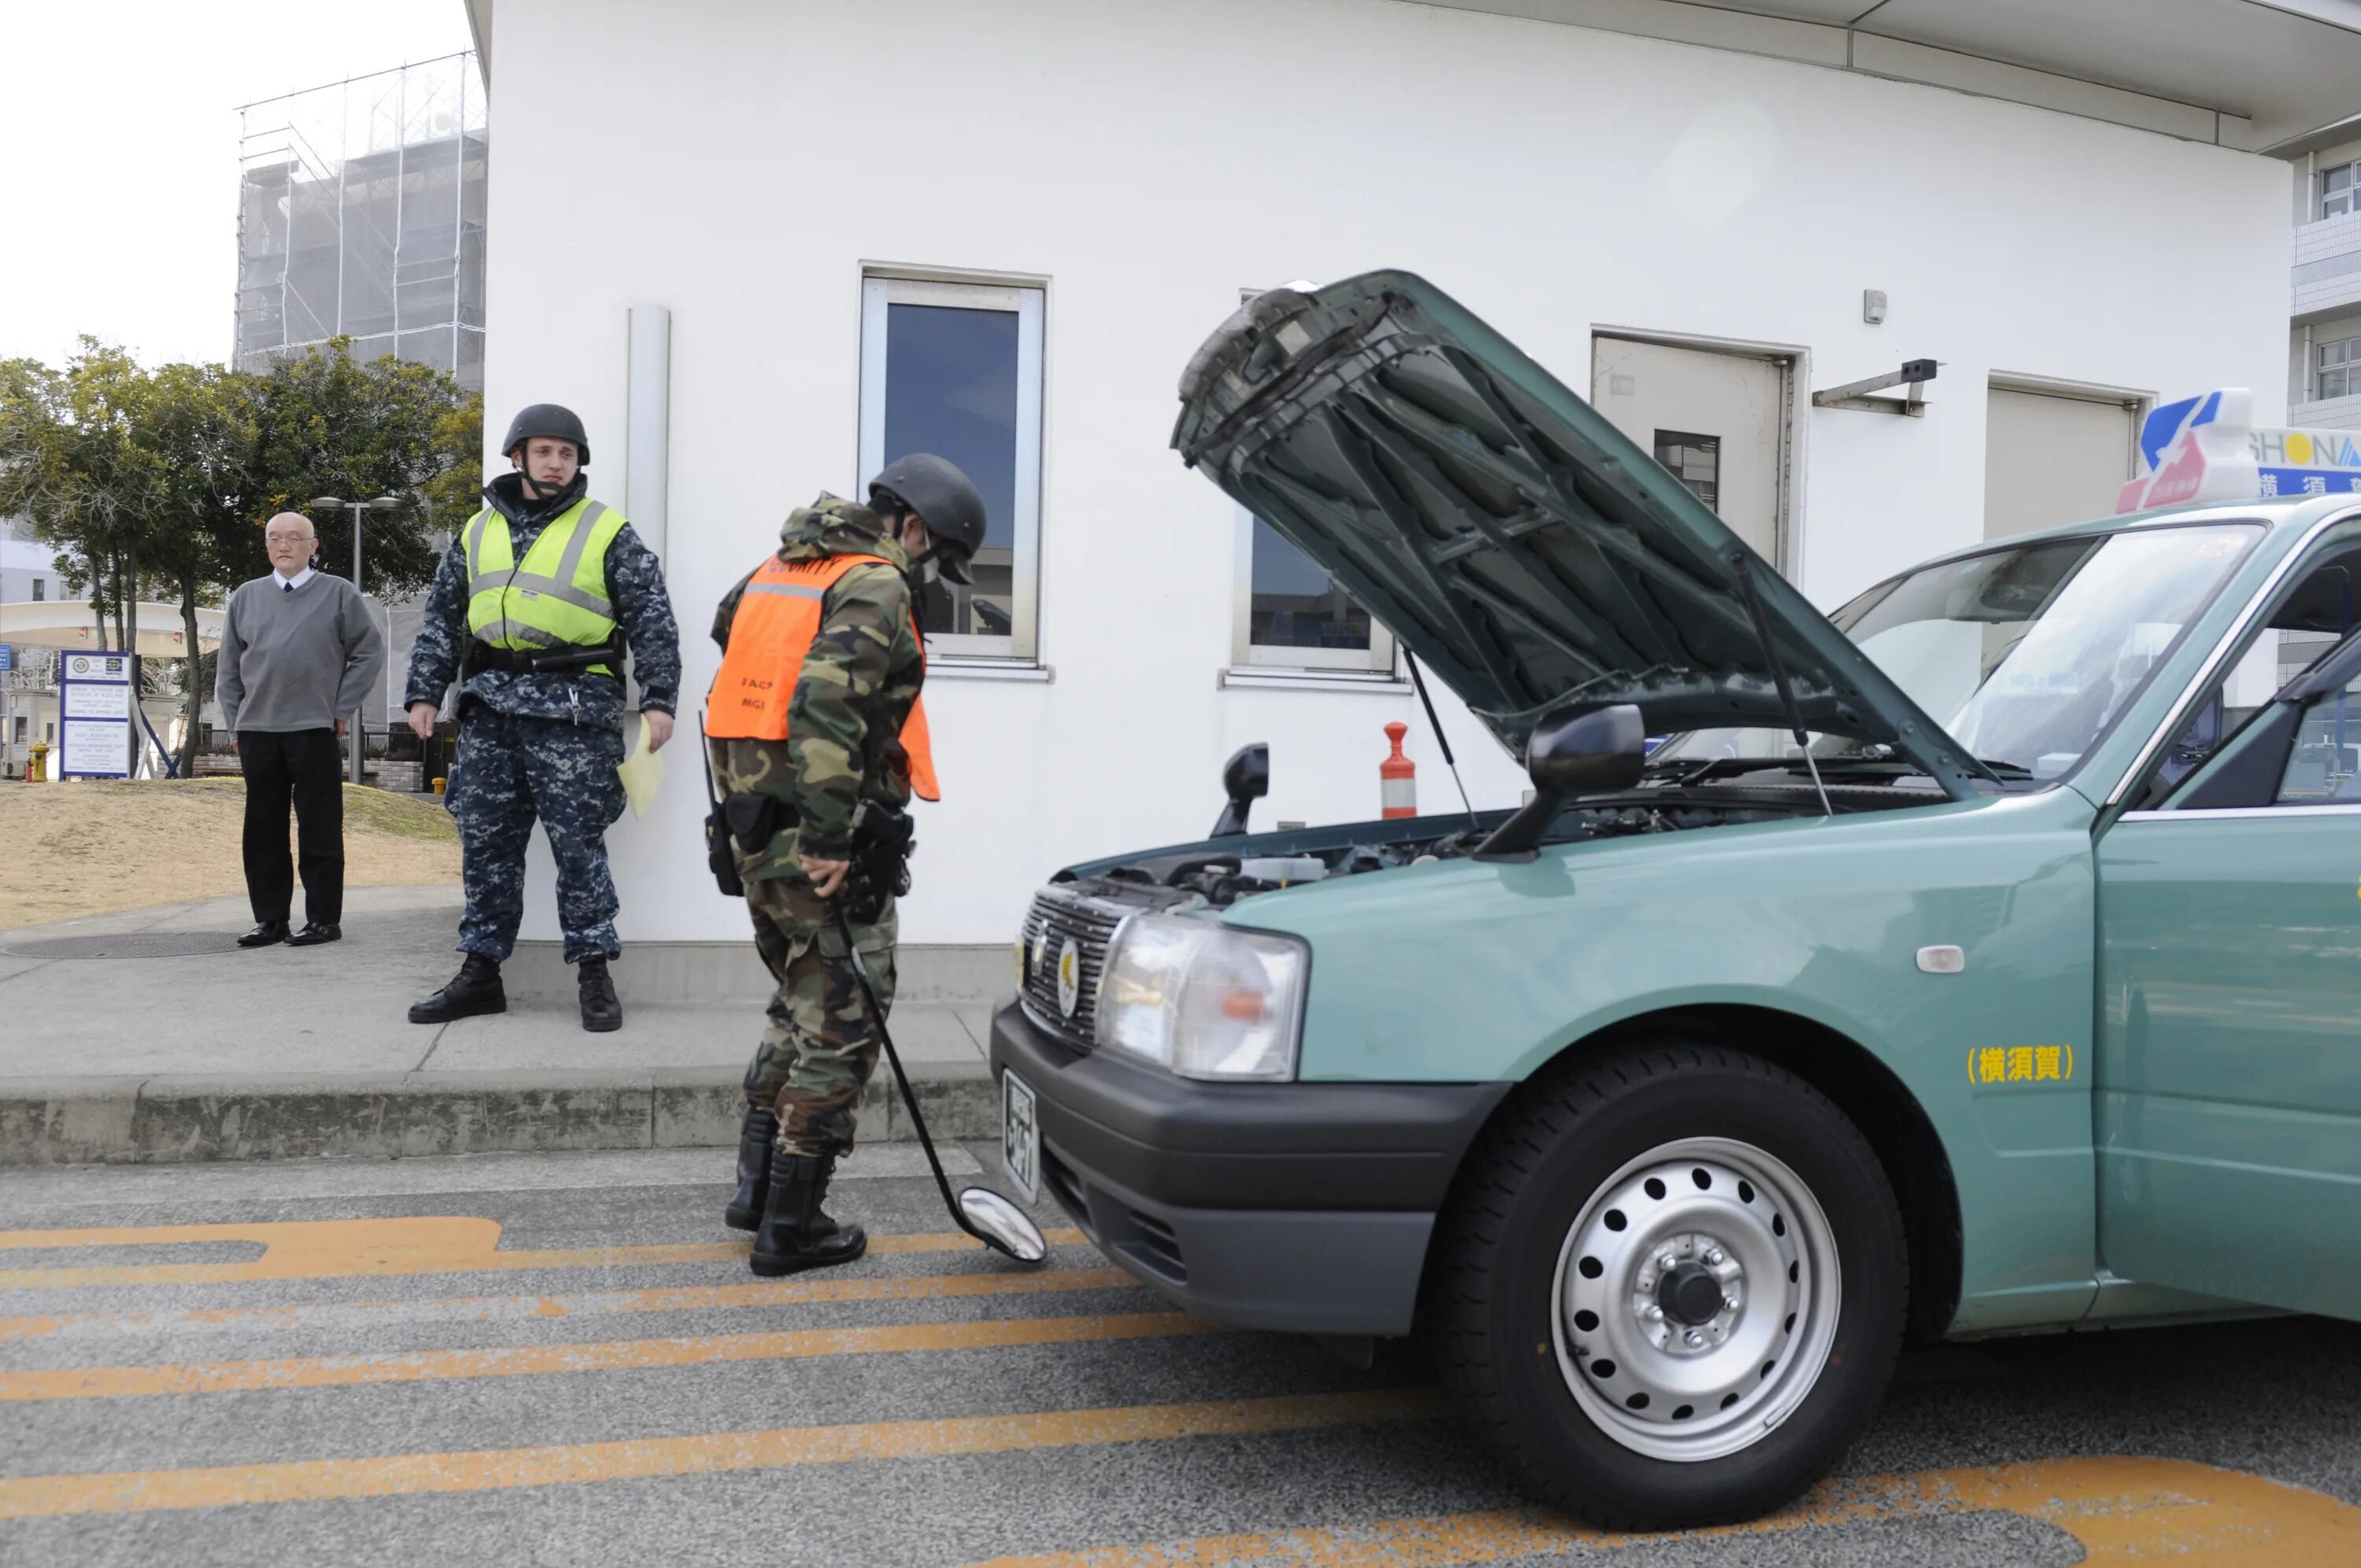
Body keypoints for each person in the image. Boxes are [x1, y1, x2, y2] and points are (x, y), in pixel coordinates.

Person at [705, 454, 984, 1275]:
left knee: (797, 1002)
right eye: (936, 559)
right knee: (844, 1018)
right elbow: (825, 701)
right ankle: (792, 1225)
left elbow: (732, 634)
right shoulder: (875, 582)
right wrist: (831, 837)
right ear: (916, 527)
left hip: (752, 826)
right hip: (814, 836)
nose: (927, 577)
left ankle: (757, 1192)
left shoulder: (778, 565)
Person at [401, 404, 682, 1031]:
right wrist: (425, 691)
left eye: (568, 454)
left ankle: (594, 974)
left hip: (573, 712)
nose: (556, 463)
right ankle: (480, 974)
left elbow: (652, 620)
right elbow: (443, 618)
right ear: (517, 457)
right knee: (486, 845)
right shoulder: (476, 532)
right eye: (545, 451)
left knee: (579, 847)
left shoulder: (607, 531)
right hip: (491, 710)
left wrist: (660, 698)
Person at [216, 511, 386, 948]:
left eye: (295, 538)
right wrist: (235, 723)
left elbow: (368, 652)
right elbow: (229, 669)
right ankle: (270, 921)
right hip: (257, 731)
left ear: (314, 546)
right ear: (267, 546)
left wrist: (342, 708)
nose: (284, 545)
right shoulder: (246, 597)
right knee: (263, 830)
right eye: (275, 538)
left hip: (314, 728)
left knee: (320, 828)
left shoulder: (338, 593)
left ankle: (324, 920)